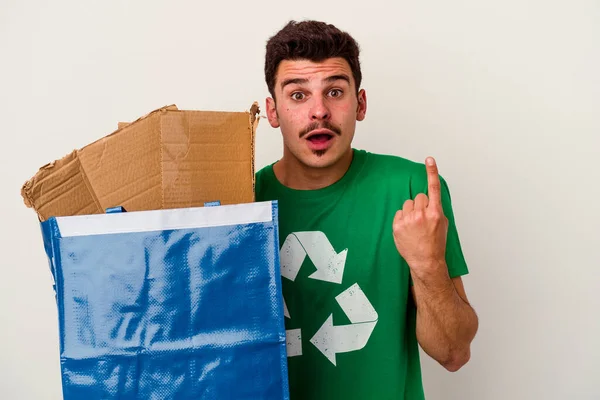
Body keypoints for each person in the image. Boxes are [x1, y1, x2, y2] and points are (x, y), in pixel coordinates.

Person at [255, 20, 479, 399]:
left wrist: (427, 266)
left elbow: (454, 353)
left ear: (359, 104)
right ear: (272, 112)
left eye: (335, 91)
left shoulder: (414, 192)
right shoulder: (242, 203)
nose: (319, 112)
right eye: (298, 95)